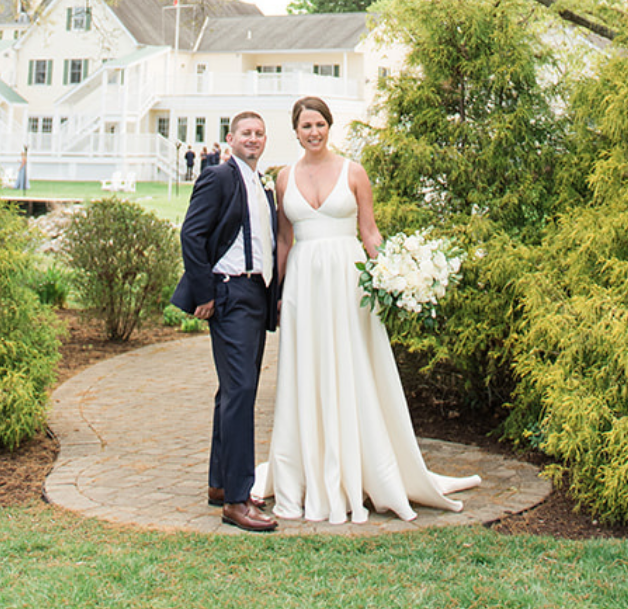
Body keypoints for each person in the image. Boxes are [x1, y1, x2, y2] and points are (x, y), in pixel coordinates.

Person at [254, 96, 480, 524]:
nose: (313, 132)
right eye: (305, 126)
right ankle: (309, 468)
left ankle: (365, 464)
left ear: (329, 126)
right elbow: (284, 240)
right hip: (305, 283)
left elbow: (370, 232)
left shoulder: (353, 172)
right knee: (309, 370)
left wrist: (394, 276)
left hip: (348, 281)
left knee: (354, 365)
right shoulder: (284, 178)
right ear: (296, 131)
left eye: (319, 124)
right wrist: (278, 294)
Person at [170, 112, 280, 532]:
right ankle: (237, 500)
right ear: (230, 138)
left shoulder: (259, 182)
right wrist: (205, 294)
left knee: (232, 392)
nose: (252, 139)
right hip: (230, 294)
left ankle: (219, 483)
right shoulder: (219, 176)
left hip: (256, 293)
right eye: (245, 133)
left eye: (258, 133)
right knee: (242, 392)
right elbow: (191, 234)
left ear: (265, 140)